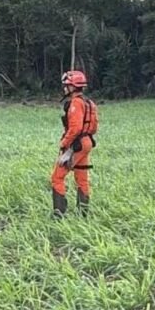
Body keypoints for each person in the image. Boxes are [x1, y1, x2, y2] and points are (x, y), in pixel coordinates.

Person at [51, 70, 99, 218]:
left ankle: (59, 214)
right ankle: (83, 214)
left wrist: (64, 144)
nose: (64, 88)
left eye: (66, 85)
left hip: (76, 145)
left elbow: (75, 128)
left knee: (57, 177)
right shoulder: (89, 103)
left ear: (72, 87)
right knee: (82, 178)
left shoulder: (75, 104)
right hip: (87, 143)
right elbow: (94, 127)